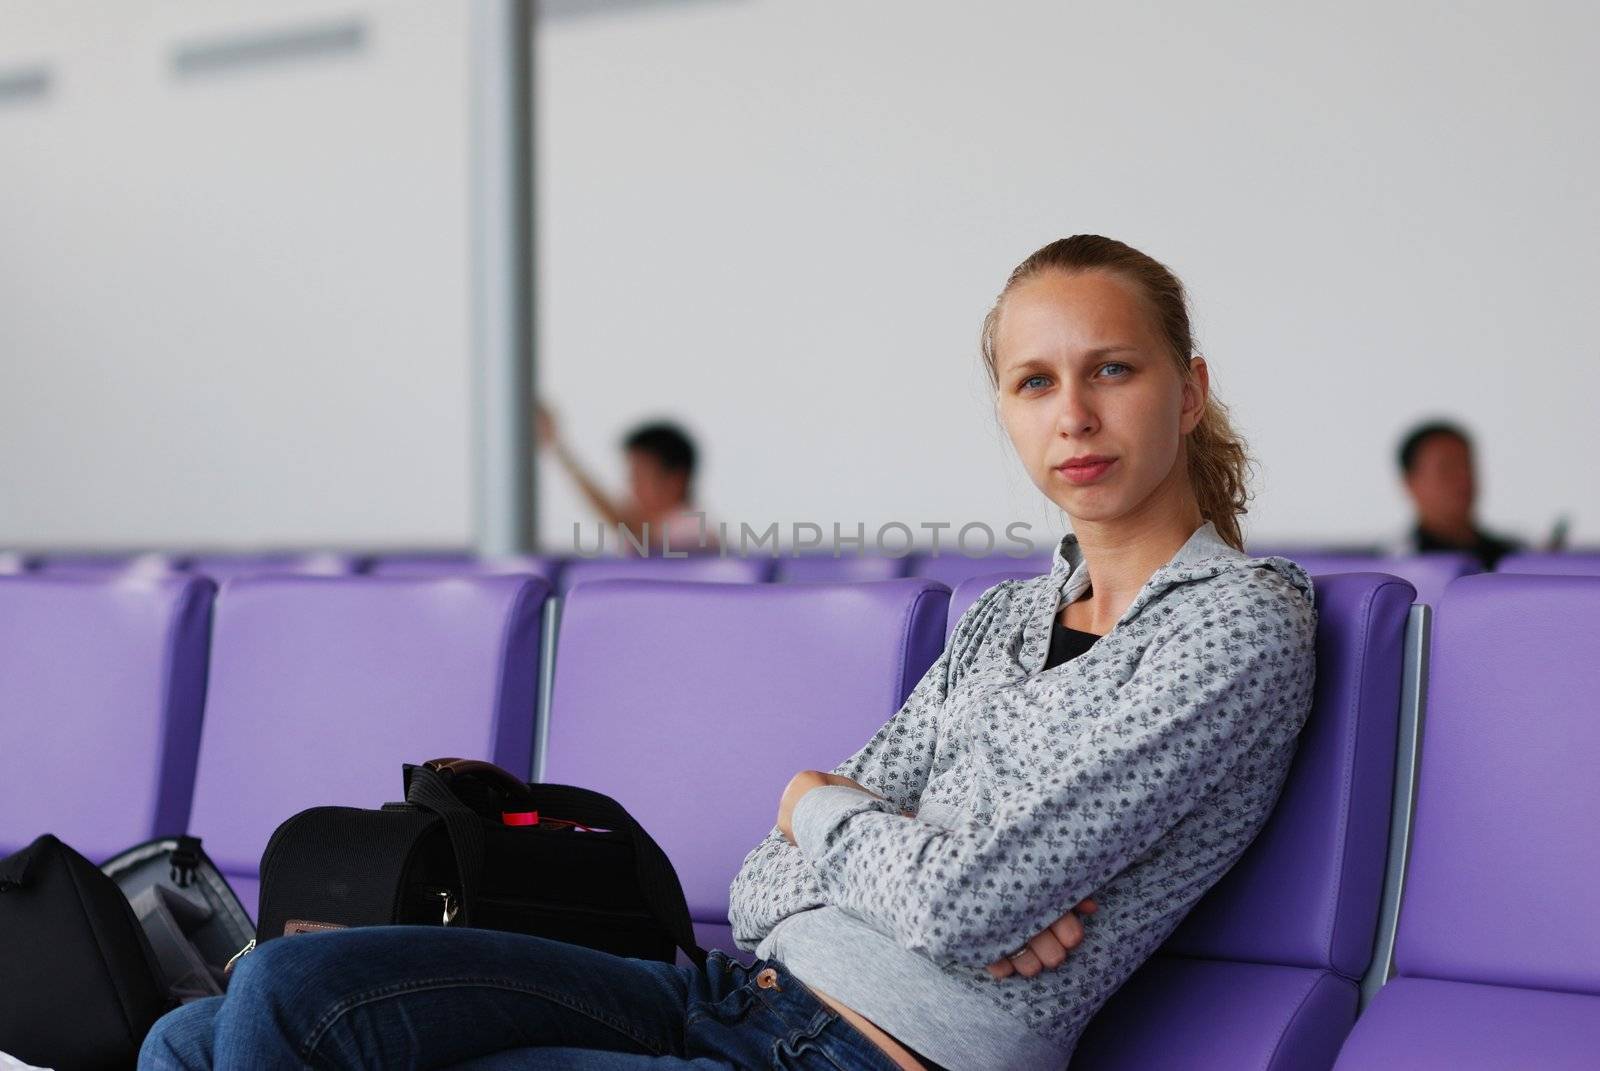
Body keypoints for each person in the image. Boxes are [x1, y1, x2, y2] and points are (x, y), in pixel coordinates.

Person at [139, 236, 1317, 1070]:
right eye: (1034, 381)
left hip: (863, 1056)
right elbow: (765, 889)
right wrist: (876, 850)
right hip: (732, 991)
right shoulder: (1009, 621)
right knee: (211, 1021)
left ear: (1190, 391)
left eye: (1112, 369)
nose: (1074, 414)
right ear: (1005, 411)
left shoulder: (1236, 623)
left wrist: (828, 810)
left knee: (284, 1015)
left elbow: (962, 903)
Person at [537, 405, 716, 555]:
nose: (632, 489)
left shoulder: (692, 530)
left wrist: (560, 450)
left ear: (675, 480)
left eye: (640, 478)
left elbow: (624, 523)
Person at [1394, 420, 1521, 570]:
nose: (1464, 478)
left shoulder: (1514, 556)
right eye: (1447, 468)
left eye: (1467, 465)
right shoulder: (1394, 564)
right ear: (1410, 482)